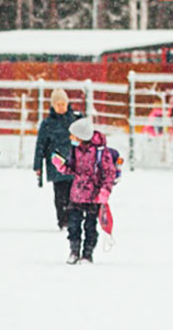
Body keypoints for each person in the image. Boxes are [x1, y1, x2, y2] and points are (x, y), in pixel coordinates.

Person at [51, 117, 117, 264]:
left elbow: (109, 173)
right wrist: (61, 166)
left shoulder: (101, 152)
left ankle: (87, 253)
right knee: (73, 225)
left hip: (94, 197)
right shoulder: (76, 150)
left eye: (73, 135)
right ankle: (74, 251)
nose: (70, 138)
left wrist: (104, 191)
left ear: (81, 136)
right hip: (76, 194)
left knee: (90, 226)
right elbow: (72, 169)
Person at [33, 88, 81, 230]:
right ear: (53, 105)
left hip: (74, 164)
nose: (61, 107)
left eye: (63, 104)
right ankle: (63, 219)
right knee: (60, 195)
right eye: (58, 104)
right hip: (56, 165)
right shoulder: (48, 124)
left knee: (74, 194)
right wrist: (37, 166)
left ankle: (73, 218)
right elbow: (40, 145)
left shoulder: (76, 120)